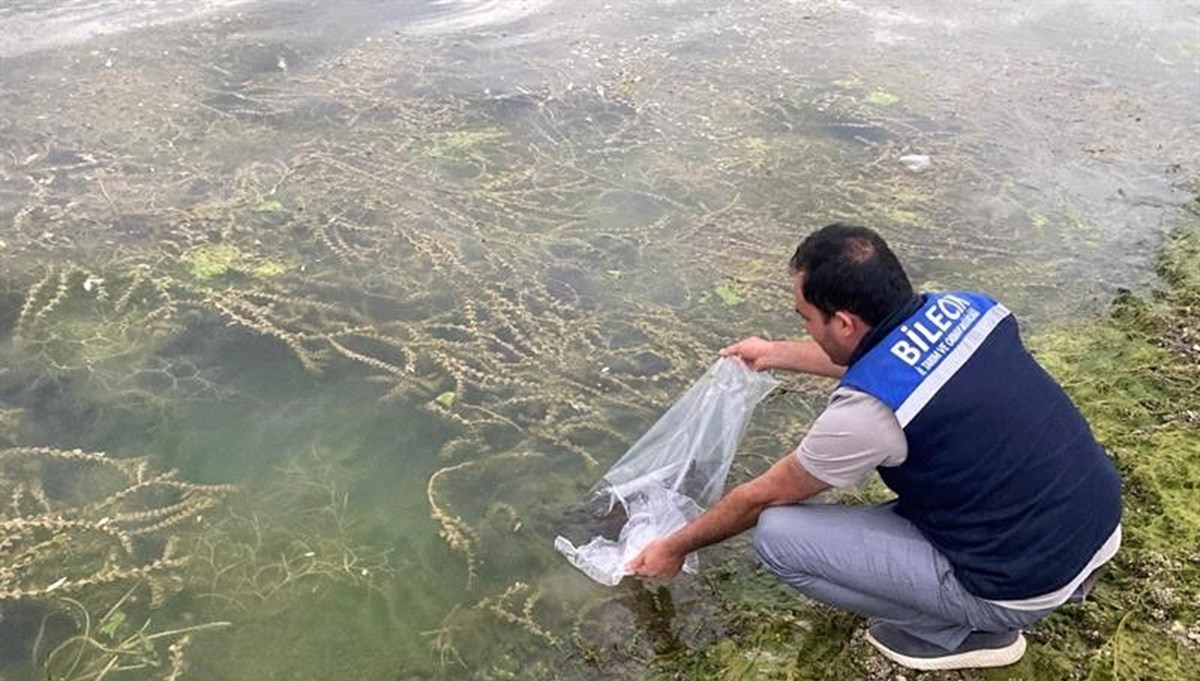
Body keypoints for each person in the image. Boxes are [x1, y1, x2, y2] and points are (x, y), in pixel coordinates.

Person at [625, 223, 1122, 671]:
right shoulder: (970, 308)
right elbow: (898, 363)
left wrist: (673, 546)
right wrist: (774, 354)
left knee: (778, 535)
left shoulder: (866, 416)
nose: (805, 329)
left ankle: (963, 633)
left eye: (805, 319)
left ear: (842, 323)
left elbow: (762, 498)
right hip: (1095, 521)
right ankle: (1061, 577)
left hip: (1022, 581)